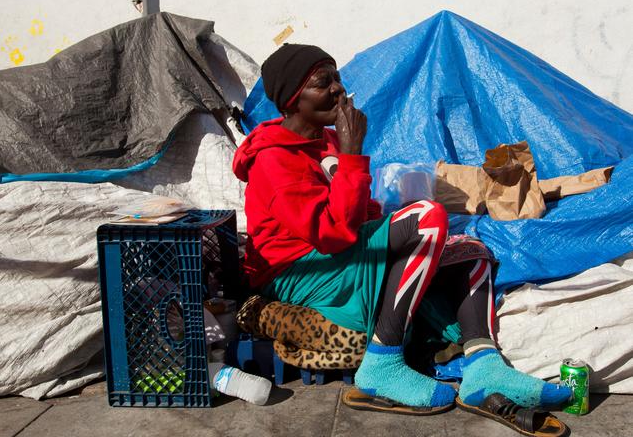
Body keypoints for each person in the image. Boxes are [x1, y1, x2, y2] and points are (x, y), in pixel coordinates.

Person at [232, 44, 571, 415]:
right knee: (427, 217)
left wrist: (379, 213)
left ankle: (483, 368)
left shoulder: (324, 141)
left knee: (470, 250)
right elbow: (333, 233)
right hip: (301, 271)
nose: (338, 89)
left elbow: (359, 211)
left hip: (339, 256)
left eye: (338, 77)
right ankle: (382, 363)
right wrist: (352, 154)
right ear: (293, 99)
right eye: (322, 82)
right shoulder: (273, 160)